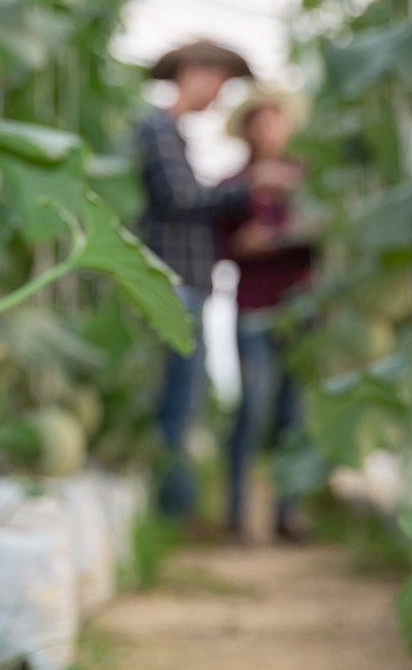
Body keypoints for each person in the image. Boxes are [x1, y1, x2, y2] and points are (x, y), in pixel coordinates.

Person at [138, 42, 295, 520]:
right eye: (221, 85)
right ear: (194, 73)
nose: (220, 97)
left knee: (185, 400)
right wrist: (247, 188)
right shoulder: (158, 130)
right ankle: (175, 511)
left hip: (190, 286)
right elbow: (182, 199)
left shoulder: (174, 135)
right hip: (178, 285)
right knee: (179, 403)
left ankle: (178, 508)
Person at [216, 90, 316, 544]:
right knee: (254, 406)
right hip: (254, 309)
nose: (267, 129)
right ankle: (237, 513)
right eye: (259, 122)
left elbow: (326, 229)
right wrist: (244, 244)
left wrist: (279, 233)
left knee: (292, 414)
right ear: (248, 130)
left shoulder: (307, 178)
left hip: (300, 309)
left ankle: (287, 513)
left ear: (286, 127)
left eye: (274, 121)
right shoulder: (234, 183)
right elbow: (222, 245)